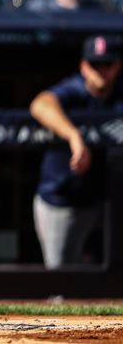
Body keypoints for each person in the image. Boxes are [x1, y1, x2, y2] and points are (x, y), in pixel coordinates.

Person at [29, 35, 123, 268]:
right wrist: (74, 136)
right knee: (62, 278)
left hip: (107, 200)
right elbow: (40, 104)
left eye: (107, 64)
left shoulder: (120, 93)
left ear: (118, 65)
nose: (101, 71)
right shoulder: (74, 90)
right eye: (94, 65)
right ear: (83, 66)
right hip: (63, 200)